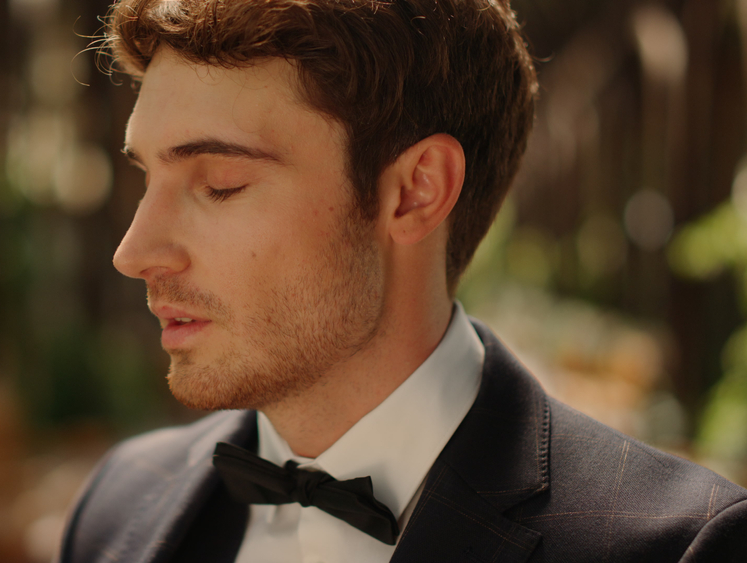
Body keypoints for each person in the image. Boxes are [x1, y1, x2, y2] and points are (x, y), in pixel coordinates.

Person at [58, 0, 747, 561]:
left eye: (219, 183)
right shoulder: (117, 502)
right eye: (146, 177)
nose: (134, 250)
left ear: (416, 192)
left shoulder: (677, 545)